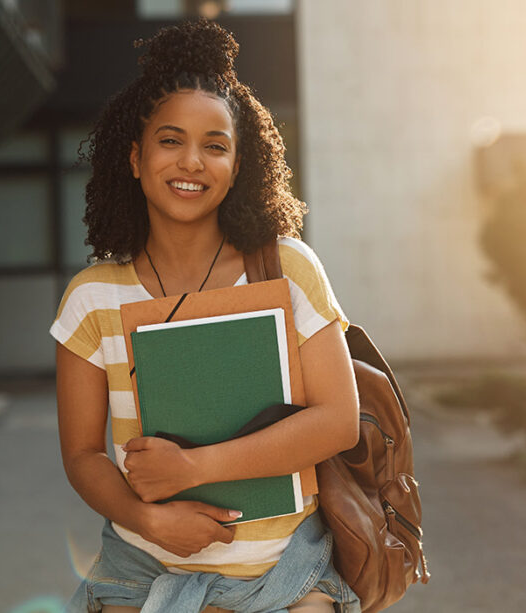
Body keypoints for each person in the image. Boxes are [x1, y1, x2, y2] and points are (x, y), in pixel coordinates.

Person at [51, 19, 362, 613]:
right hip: (142, 574)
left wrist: (191, 467)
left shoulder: (288, 269)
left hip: (287, 575)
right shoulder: (92, 298)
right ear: (136, 159)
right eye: (170, 141)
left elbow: (338, 421)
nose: (192, 161)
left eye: (215, 145)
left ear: (239, 165)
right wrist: (146, 517)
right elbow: (82, 456)